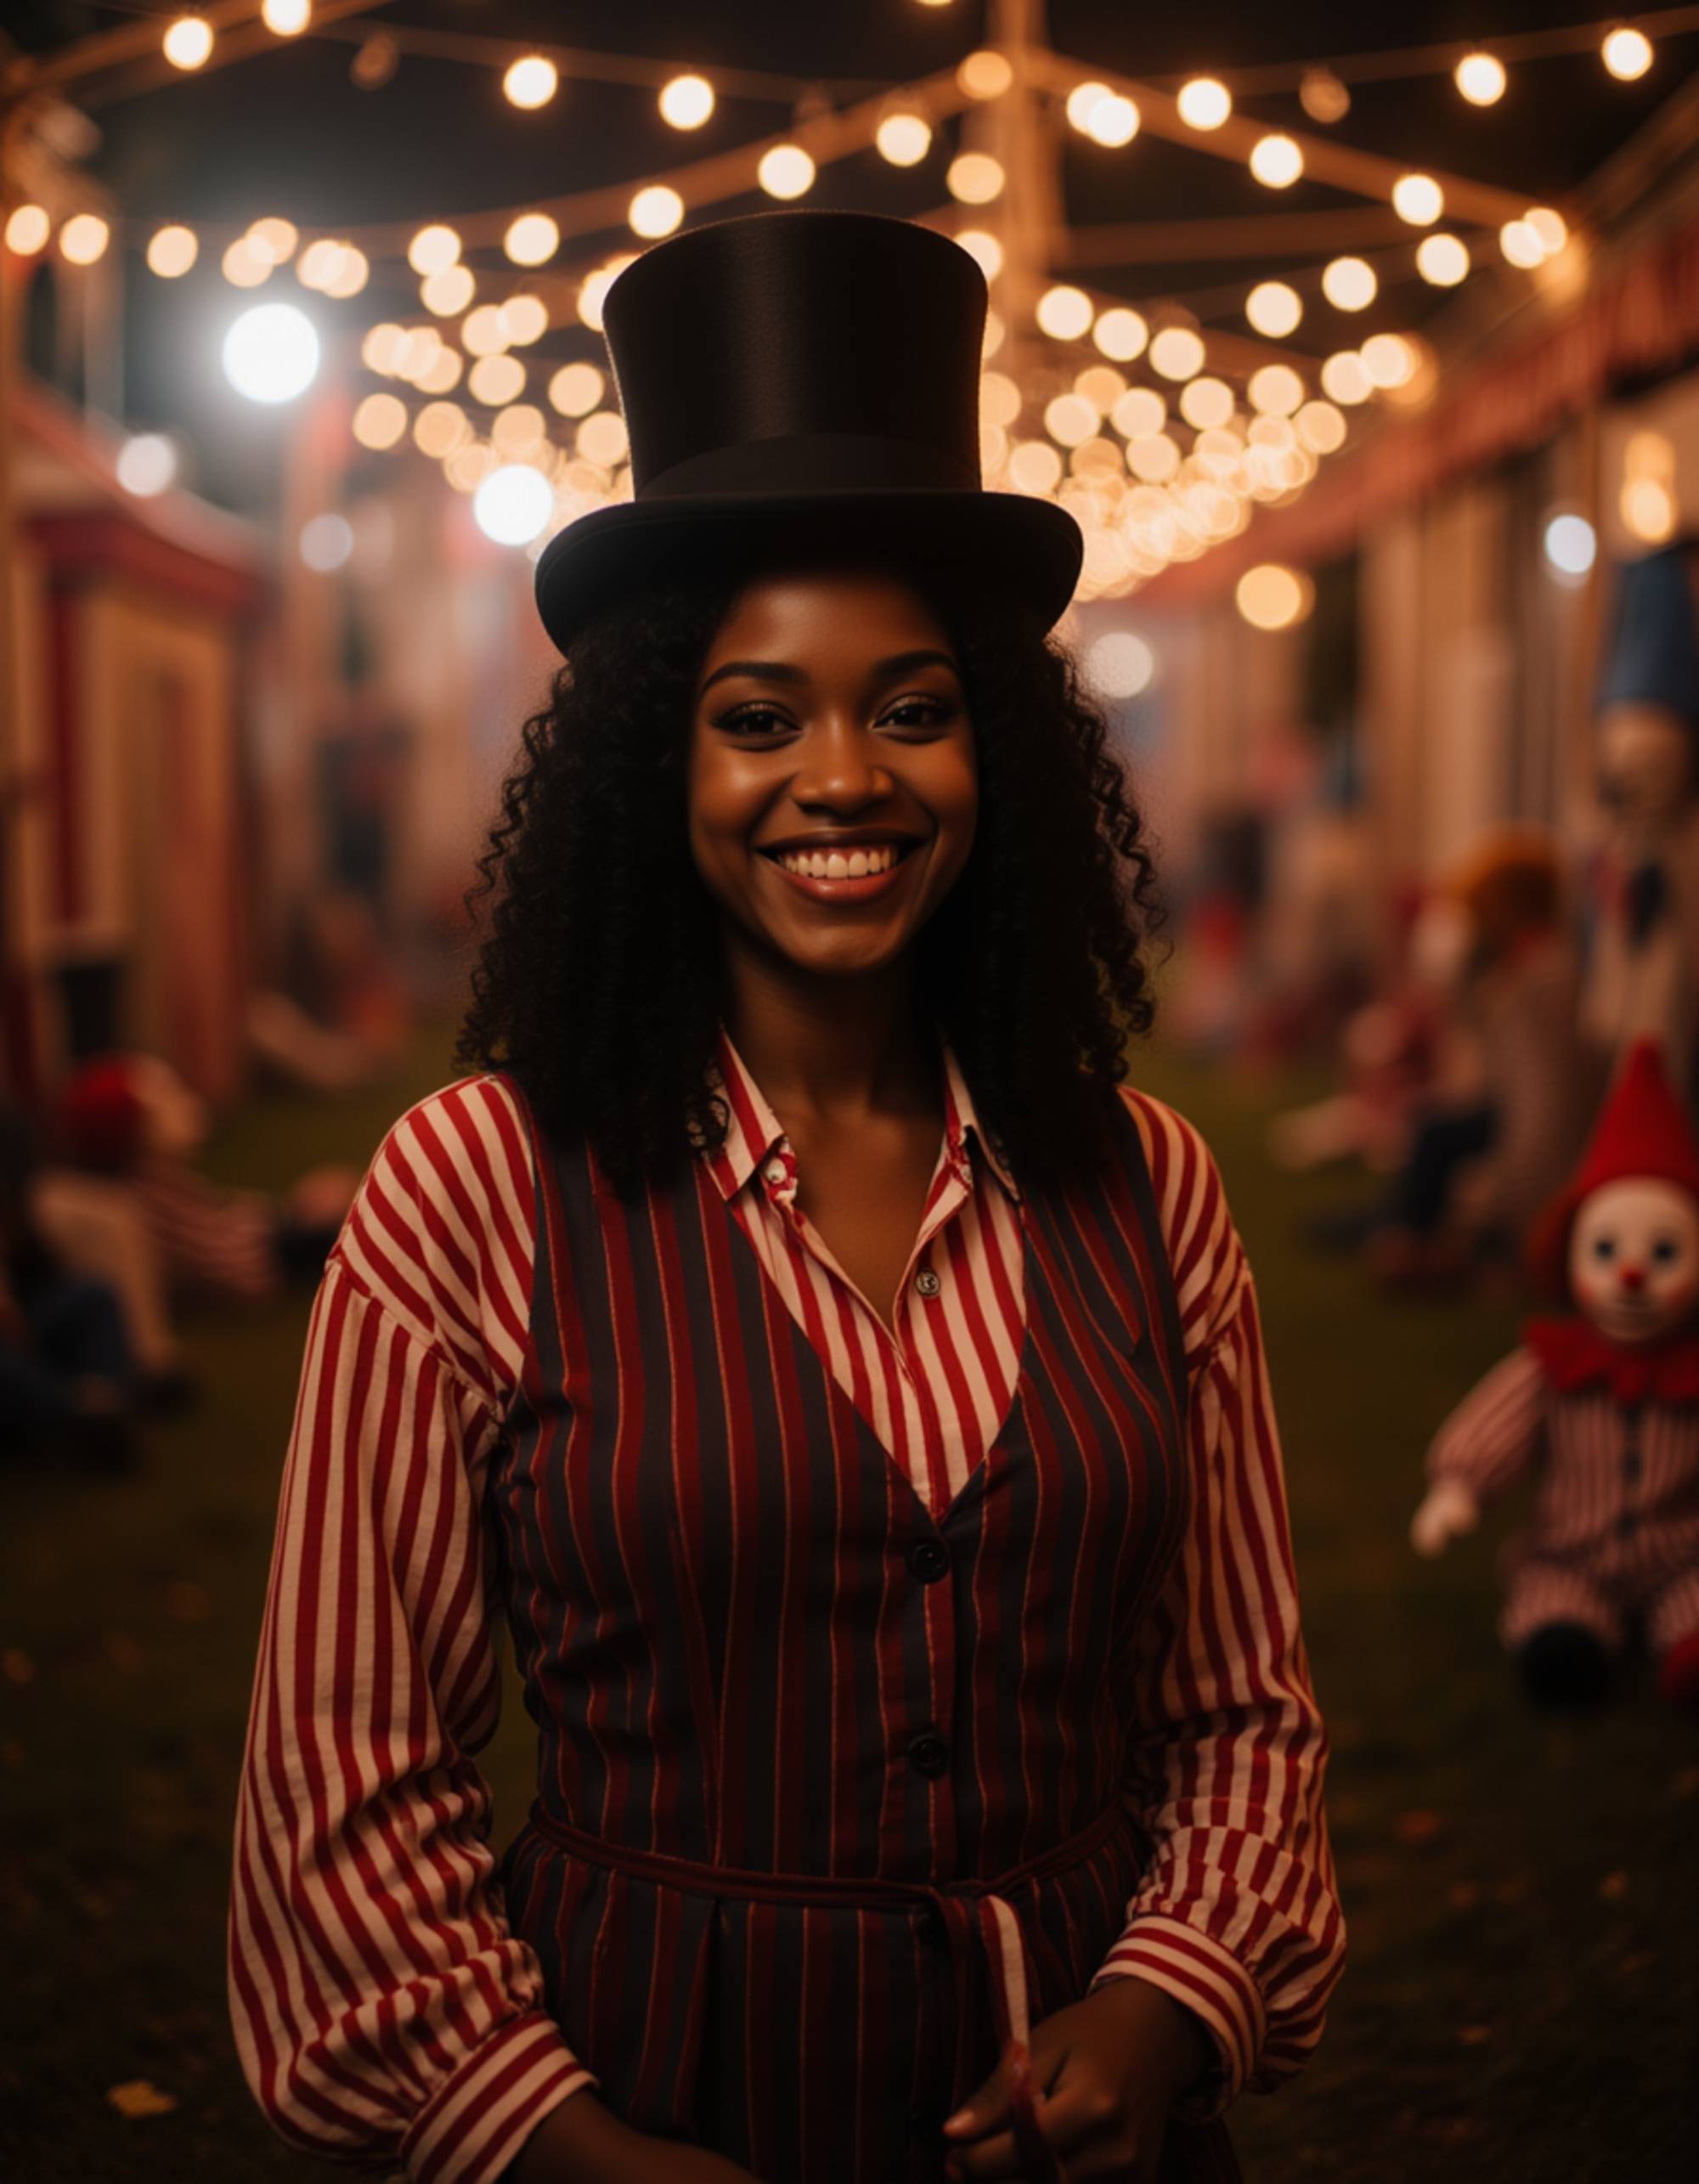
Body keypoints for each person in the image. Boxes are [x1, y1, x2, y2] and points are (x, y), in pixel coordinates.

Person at [230, 212, 1342, 2184]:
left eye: (910, 706)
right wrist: (561, 2142)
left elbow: (1243, 1704)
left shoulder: (1145, 1179)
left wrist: (1166, 2000)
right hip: (644, 2097)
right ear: (657, 766)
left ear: (990, 745)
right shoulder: (473, 1187)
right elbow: (347, 1776)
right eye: (760, 717)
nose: (845, 774)